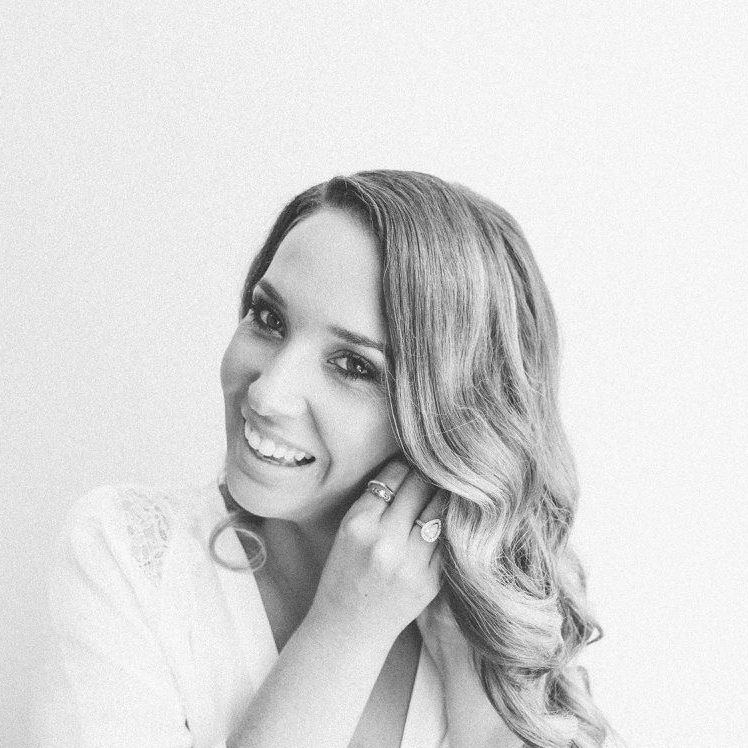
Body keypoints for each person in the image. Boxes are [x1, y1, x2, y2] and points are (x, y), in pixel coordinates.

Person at [46, 170, 612, 748]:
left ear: (454, 418)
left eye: (354, 366)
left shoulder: (506, 618)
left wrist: (480, 686)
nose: (267, 394)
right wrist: (348, 625)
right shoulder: (133, 556)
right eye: (269, 319)